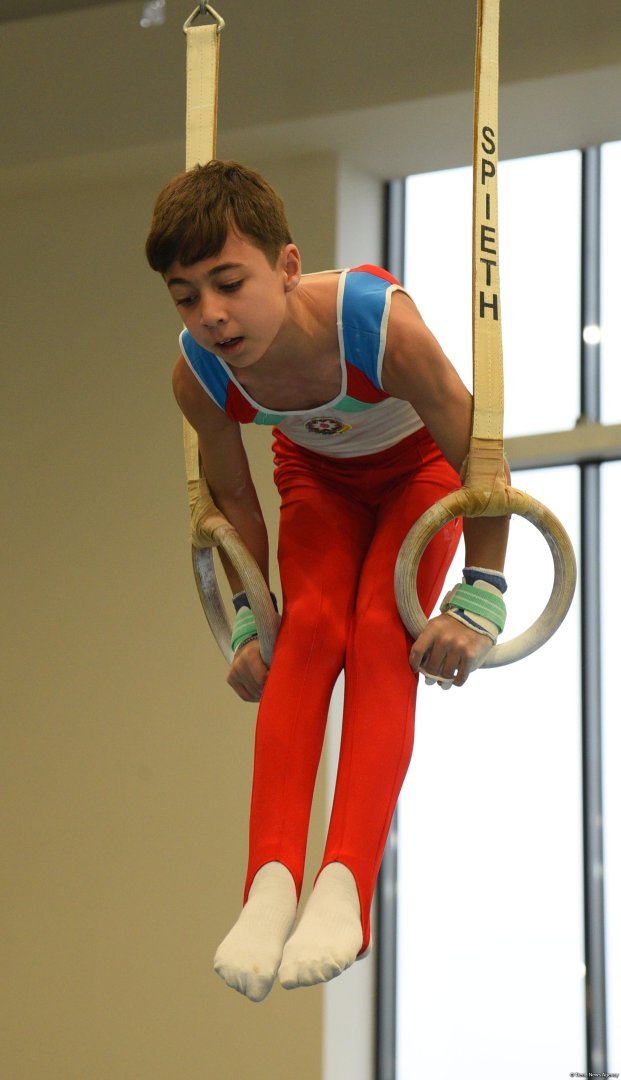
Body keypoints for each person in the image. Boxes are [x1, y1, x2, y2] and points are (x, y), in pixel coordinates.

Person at [145, 160, 509, 1003]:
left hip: (422, 475)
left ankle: (342, 883)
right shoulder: (198, 373)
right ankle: (269, 882)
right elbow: (232, 496)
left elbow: (477, 460)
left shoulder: (378, 324)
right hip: (315, 481)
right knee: (308, 626)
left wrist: (480, 595)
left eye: (228, 283)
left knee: (382, 632)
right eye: (185, 296)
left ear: (286, 265)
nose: (211, 315)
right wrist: (246, 617)